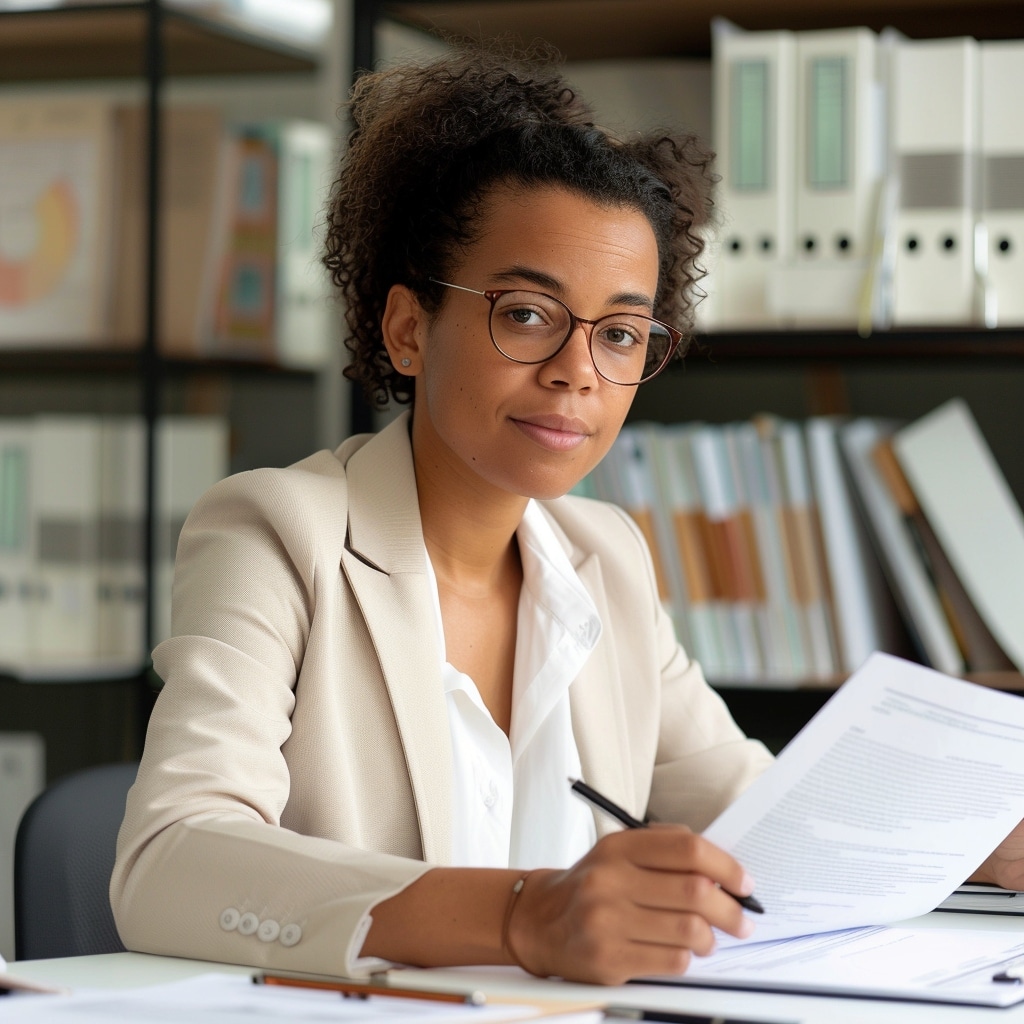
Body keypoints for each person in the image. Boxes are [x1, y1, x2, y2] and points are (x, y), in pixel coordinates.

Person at [109, 42, 1024, 987]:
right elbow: (169, 860)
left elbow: (755, 815)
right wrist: (522, 914)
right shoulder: (278, 533)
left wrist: (968, 831)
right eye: (527, 312)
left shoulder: (605, 558)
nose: (577, 370)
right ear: (409, 329)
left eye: (621, 333)